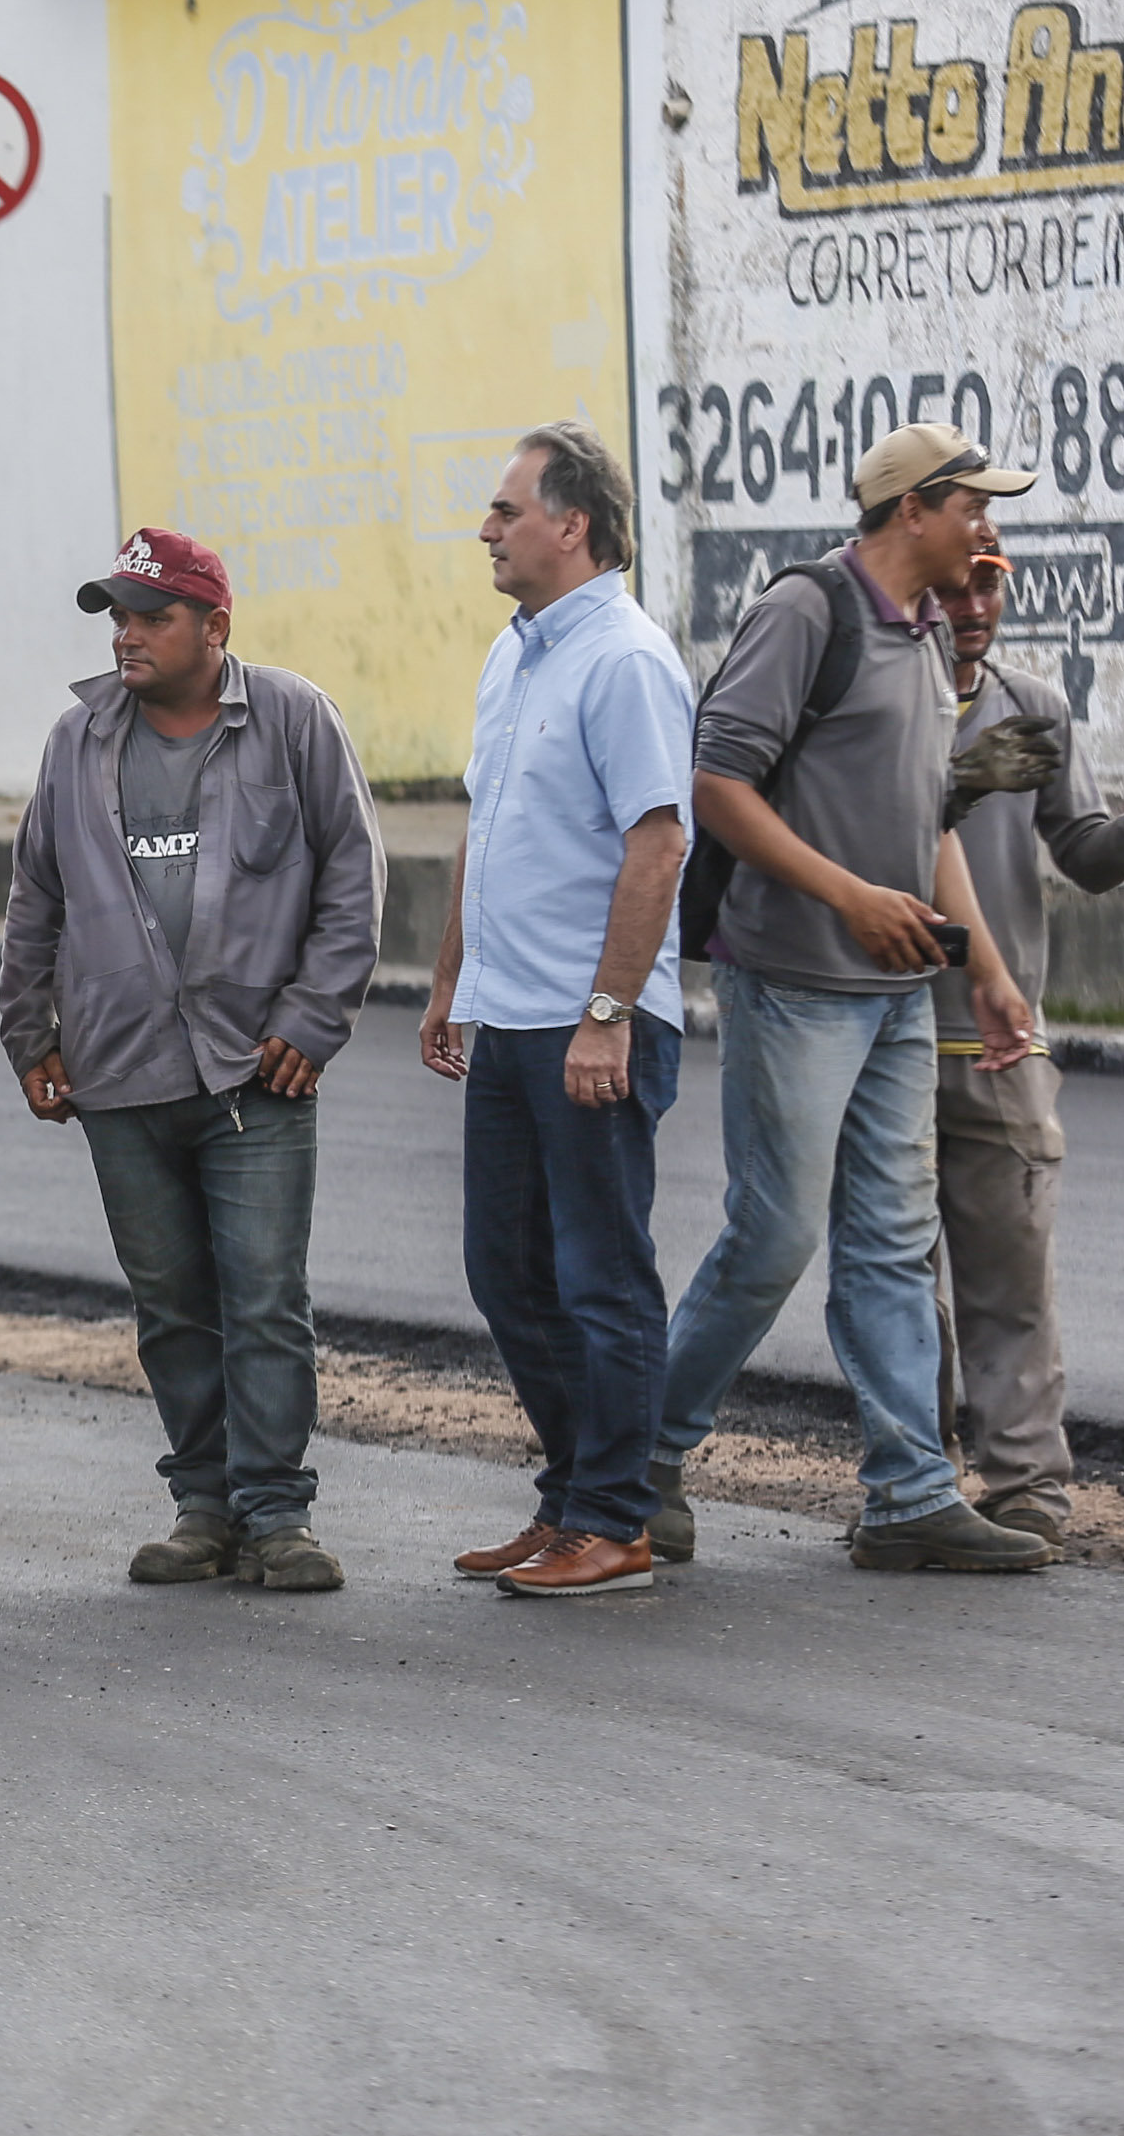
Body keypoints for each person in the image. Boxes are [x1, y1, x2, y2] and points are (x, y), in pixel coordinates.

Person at [648, 423, 1054, 1574]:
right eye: (973, 506)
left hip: (899, 989)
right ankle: (644, 1459)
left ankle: (908, 1492)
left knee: (888, 1238)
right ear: (910, 509)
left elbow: (924, 816)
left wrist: (982, 967)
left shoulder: (930, 633)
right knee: (772, 1236)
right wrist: (848, 897)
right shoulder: (805, 612)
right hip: (796, 982)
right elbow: (717, 786)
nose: (987, 531)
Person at [0, 526, 380, 1594]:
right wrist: (29, 1032)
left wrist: (314, 1020)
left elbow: (353, 875)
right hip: (117, 1077)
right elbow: (36, 897)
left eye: (150, 614)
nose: (127, 633)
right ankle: (202, 1506)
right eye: (116, 614)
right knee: (169, 1303)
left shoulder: (293, 720)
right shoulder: (77, 741)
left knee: (262, 1296)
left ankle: (274, 1515)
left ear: (214, 627)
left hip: (253, 1072)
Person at [420, 427, 694, 1597]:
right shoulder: (513, 655)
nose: (486, 530)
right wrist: (449, 984)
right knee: (506, 1272)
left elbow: (659, 841)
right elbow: (488, 835)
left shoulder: (624, 660)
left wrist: (607, 1011)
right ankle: (571, 1498)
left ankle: (617, 1519)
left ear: (569, 523)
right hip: (509, 1014)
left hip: (591, 1022)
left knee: (599, 1275)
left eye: (504, 510)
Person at [934, 549, 1124, 1544]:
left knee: (1011, 1278)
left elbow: (1084, 855)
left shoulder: (1035, 708)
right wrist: (953, 781)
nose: (972, 607)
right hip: (874, 1031)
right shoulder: (868, 705)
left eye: (988, 583)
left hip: (1001, 1045)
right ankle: (915, 1484)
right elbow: (843, 831)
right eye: (952, 586)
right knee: (891, 1287)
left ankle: (1024, 1485)